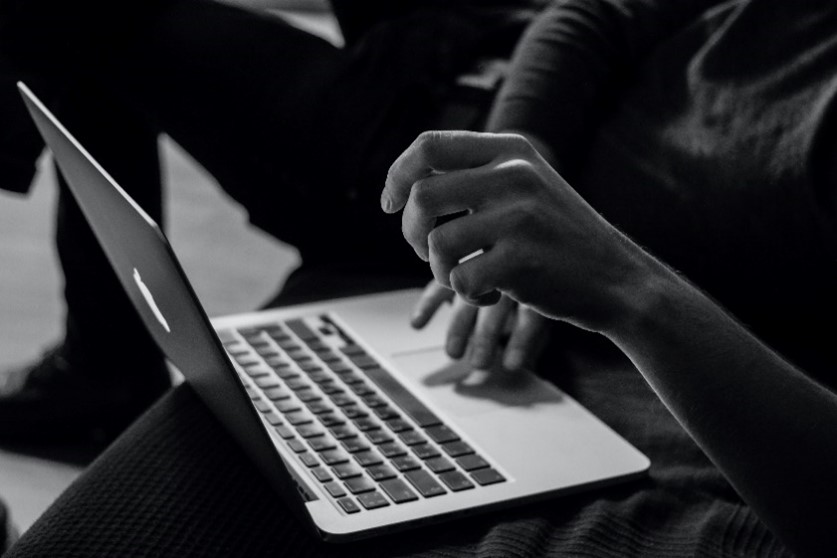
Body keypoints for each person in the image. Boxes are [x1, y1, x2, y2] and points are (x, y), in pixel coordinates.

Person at [0, 0, 833, 555]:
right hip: (463, 85)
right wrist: (523, 160)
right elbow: (589, 14)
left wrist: (625, 285)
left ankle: (98, 372)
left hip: (409, 170)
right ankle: (101, 368)